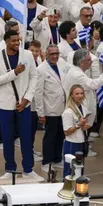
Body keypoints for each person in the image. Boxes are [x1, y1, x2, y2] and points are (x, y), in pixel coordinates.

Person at [0, 30, 42, 181]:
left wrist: (27, 98)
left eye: (18, 40)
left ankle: (28, 169)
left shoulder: (26, 55)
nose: (16, 43)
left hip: (23, 104)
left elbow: (34, 77)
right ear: (6, 41)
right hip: (5, 104)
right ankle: (10, 168)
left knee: (26, 137)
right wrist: (14, 72)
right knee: (7, 138)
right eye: (13, 41)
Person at [35, 44, 70, 172]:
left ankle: (57, 159)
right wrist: (41, 113)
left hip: (63, 108)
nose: (55, 56)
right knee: (50, 136)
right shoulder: (41, 69)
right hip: (50, 109)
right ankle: (47, 161)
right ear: (46, 54)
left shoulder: (62, 64)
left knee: (60, 135)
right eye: (52, 54)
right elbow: (38, 93)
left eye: (57, 53)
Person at [62, 84, 90, 178]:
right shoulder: (68, 112)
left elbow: (83, 125)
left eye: (81, 93)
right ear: (72, 95)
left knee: (79, 169)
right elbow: (66, 132)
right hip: (72, 143)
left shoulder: (83, 108)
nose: (80, 96)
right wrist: (78, 125)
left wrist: (85, 127)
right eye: (77, 94)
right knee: (70, 170)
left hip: (81, 142)